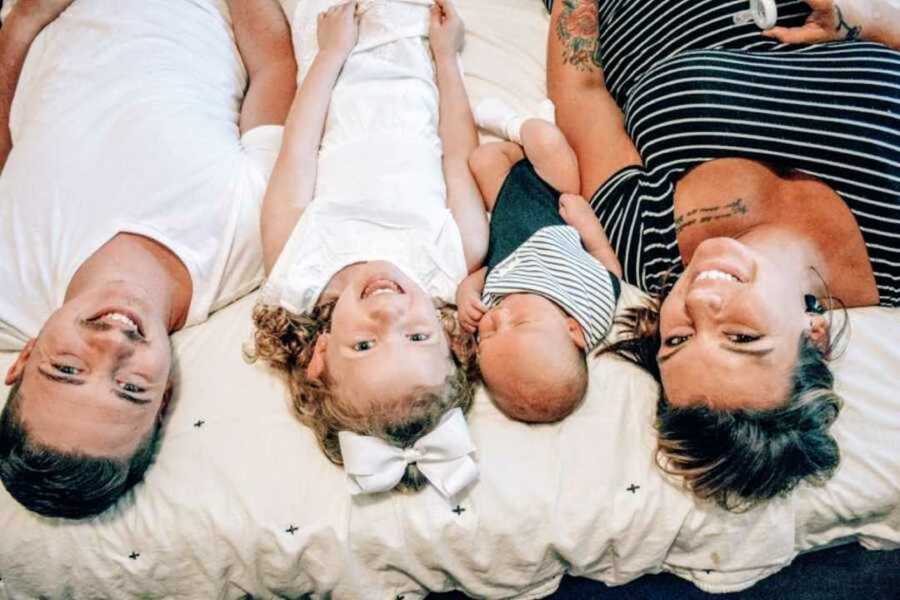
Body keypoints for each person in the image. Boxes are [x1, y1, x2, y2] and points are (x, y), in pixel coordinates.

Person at [547, 0, 900, 508]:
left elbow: (583, 94)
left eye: (678, 338)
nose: (698, 302)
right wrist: (868, 21)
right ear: (814, 334)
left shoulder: (651, 250)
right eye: (741, 336)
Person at [0, 0, 296, 518]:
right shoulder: (250, 242)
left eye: (68, 368)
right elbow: (273, 66)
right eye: (131, 387)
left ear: (23, 360)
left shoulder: (7, 295)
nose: (113, 345)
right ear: (165, 398)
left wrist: (23, 22)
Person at [251, 0, 487, 496]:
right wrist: (447, 58)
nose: (389, 314)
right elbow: (458, 151)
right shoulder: (455, 256)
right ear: (453, 341)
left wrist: (331, 52)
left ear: (319, 355)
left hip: (333, 53)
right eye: (418, 336)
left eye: (364, 345)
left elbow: (298, 147)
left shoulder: (297, 269)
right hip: (413, 45)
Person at [457, 100, 622, 422]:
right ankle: (516, 122)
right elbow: (609, 268)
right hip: (553, 197)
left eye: (487, 338)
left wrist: (466, 294)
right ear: (572, 329)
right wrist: (587, 225)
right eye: (520, 324)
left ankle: (518, 151)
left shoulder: (491, 307)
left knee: (482, 159)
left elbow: (487, 272)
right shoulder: (589, 309)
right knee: (545, 139)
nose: (496, 319)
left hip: (504, 210)